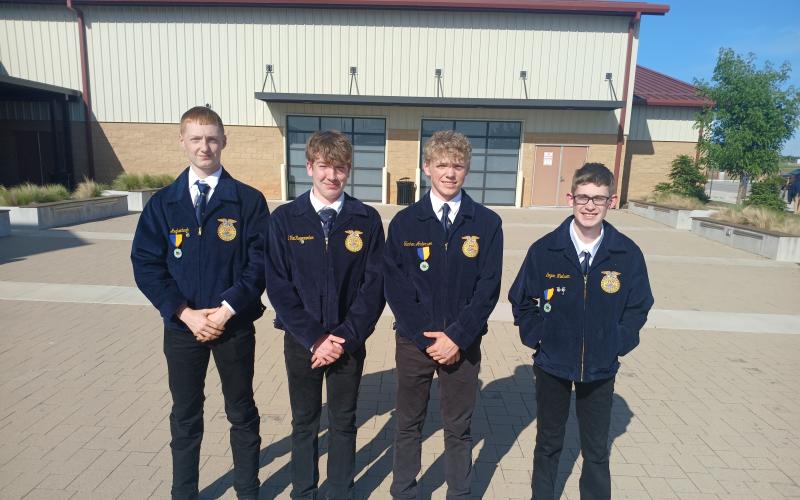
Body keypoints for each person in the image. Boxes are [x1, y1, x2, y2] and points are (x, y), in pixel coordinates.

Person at [131, 106, 269, 500]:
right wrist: (185, 313)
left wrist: (226, 310)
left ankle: (248, 490)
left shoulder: (248, 201)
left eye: (211, 138)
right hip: (182, 328)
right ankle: (184, 492)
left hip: (234, 326)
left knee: (241, 412)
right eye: (196, 138)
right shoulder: (164, 204)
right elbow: (146, 263)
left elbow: (259, 263)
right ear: (182, 142)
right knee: (186, 416)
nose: (204, 146)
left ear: (224, 141)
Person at [508, 163, 654, 500]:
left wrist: (617, 340)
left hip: (601, 367)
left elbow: (639, 305)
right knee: (548, 444)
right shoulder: (544, 251)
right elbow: (522, 300)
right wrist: (538, 336)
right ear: (570, 197)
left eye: (598, 199)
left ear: (611, 201)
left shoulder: (626, 254)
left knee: (596, 449)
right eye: (583, 198)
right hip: (552, 364)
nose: (590, 206)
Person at [265, 130, 385, 499]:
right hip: (302, 342)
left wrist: (345, 336)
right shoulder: (286, 219)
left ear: (348, 170)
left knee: (344, 422)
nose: (332, 176)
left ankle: (340, 491)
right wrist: (315, 338)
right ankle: (303, 491)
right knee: (304, 422)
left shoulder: (366, 219)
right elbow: (278, 285)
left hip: (348, 342)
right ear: (308, 167)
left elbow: (374, 285)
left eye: (340, 168)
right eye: (324, 167)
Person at [384, 130, 503, 499]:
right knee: (408, 423)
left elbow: (488, 288)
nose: (449, 173)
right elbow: (396, 288)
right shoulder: (405, 223)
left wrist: (457, 336)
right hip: (413, 343)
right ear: (426, 168)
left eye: (457, 165)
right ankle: (404, 491)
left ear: (467, 169)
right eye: (441, 165)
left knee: (458, 426)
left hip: (462, 345)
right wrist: (426, 337)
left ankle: (460, 493)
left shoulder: (486, 223)